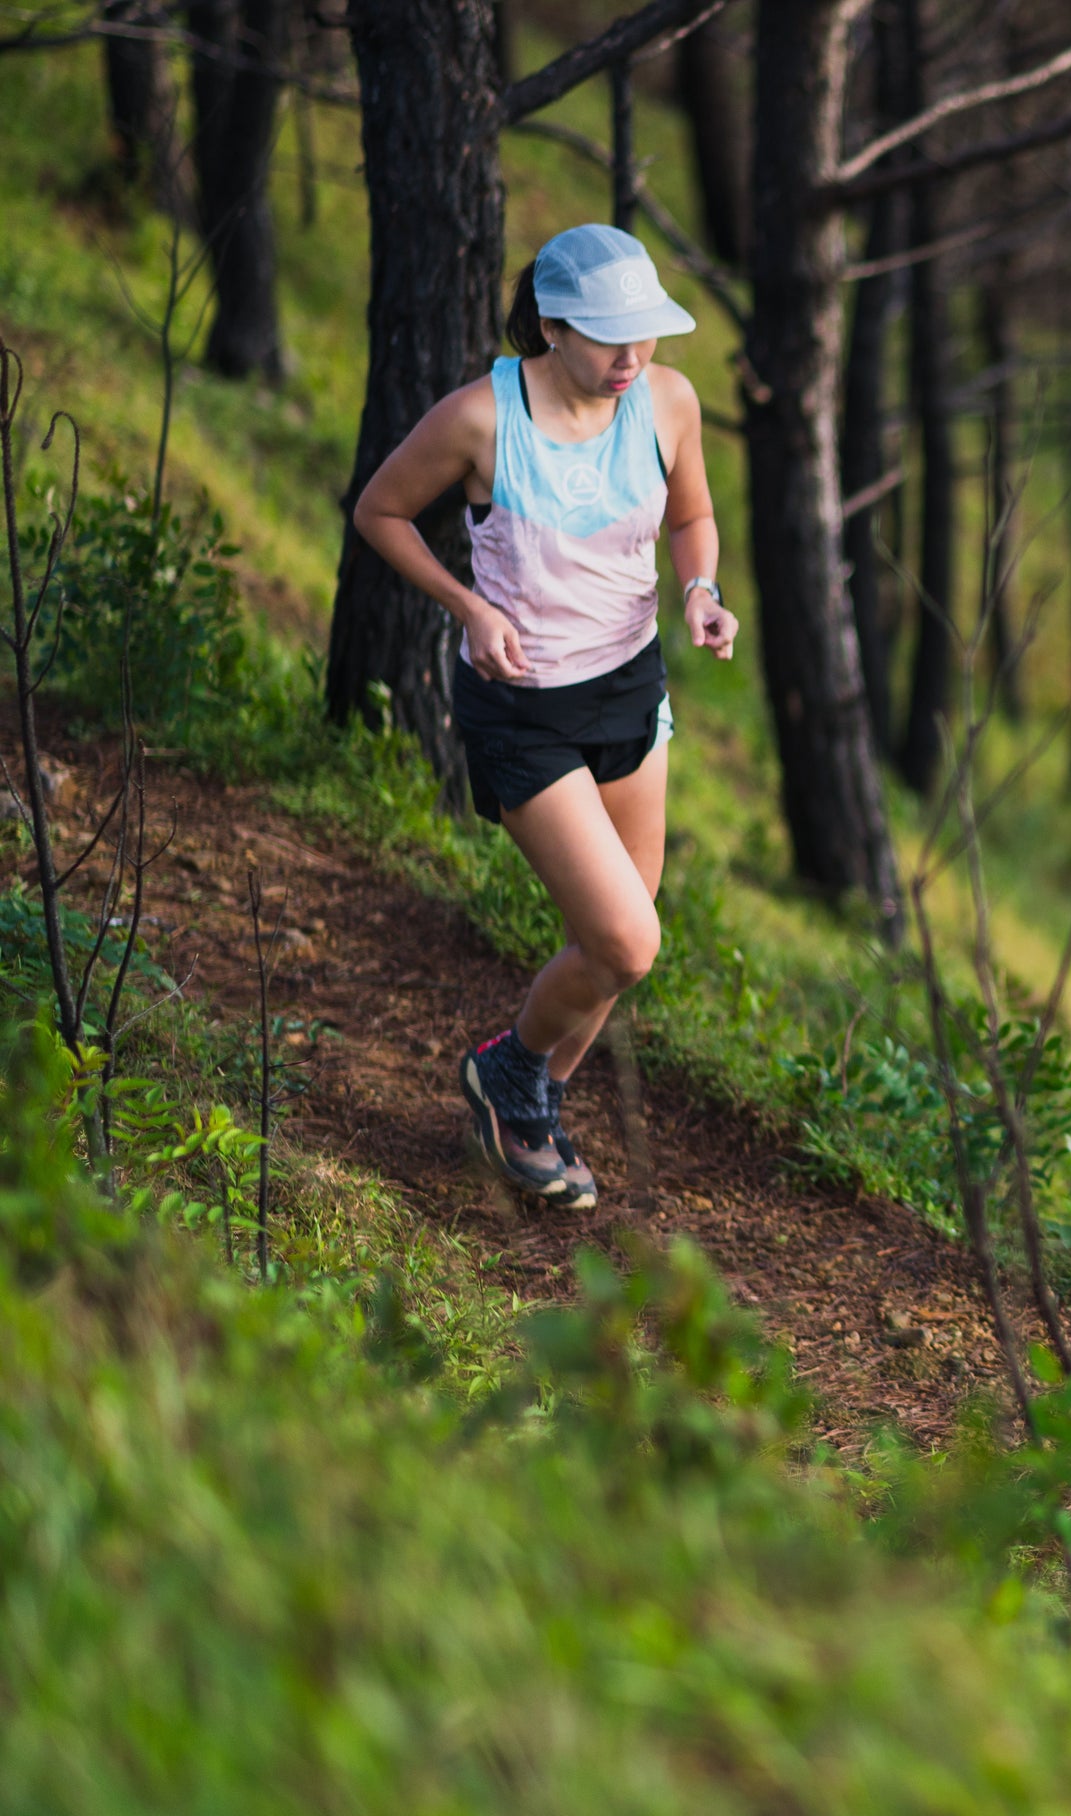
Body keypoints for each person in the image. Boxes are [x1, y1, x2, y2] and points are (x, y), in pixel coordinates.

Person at [353, 223, 737, 1212]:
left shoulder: (664, 401)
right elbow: (380, 510)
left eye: (643, 334)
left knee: (619, 947)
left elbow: (690, 516)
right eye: (609, 337)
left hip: (628, 693)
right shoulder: (483, 417)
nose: (631, 357)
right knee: (626, 942)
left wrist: (698, 590)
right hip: (525, 709)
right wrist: (469, 607)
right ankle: (507, 1068)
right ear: (552, 324)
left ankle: (527, 1108)